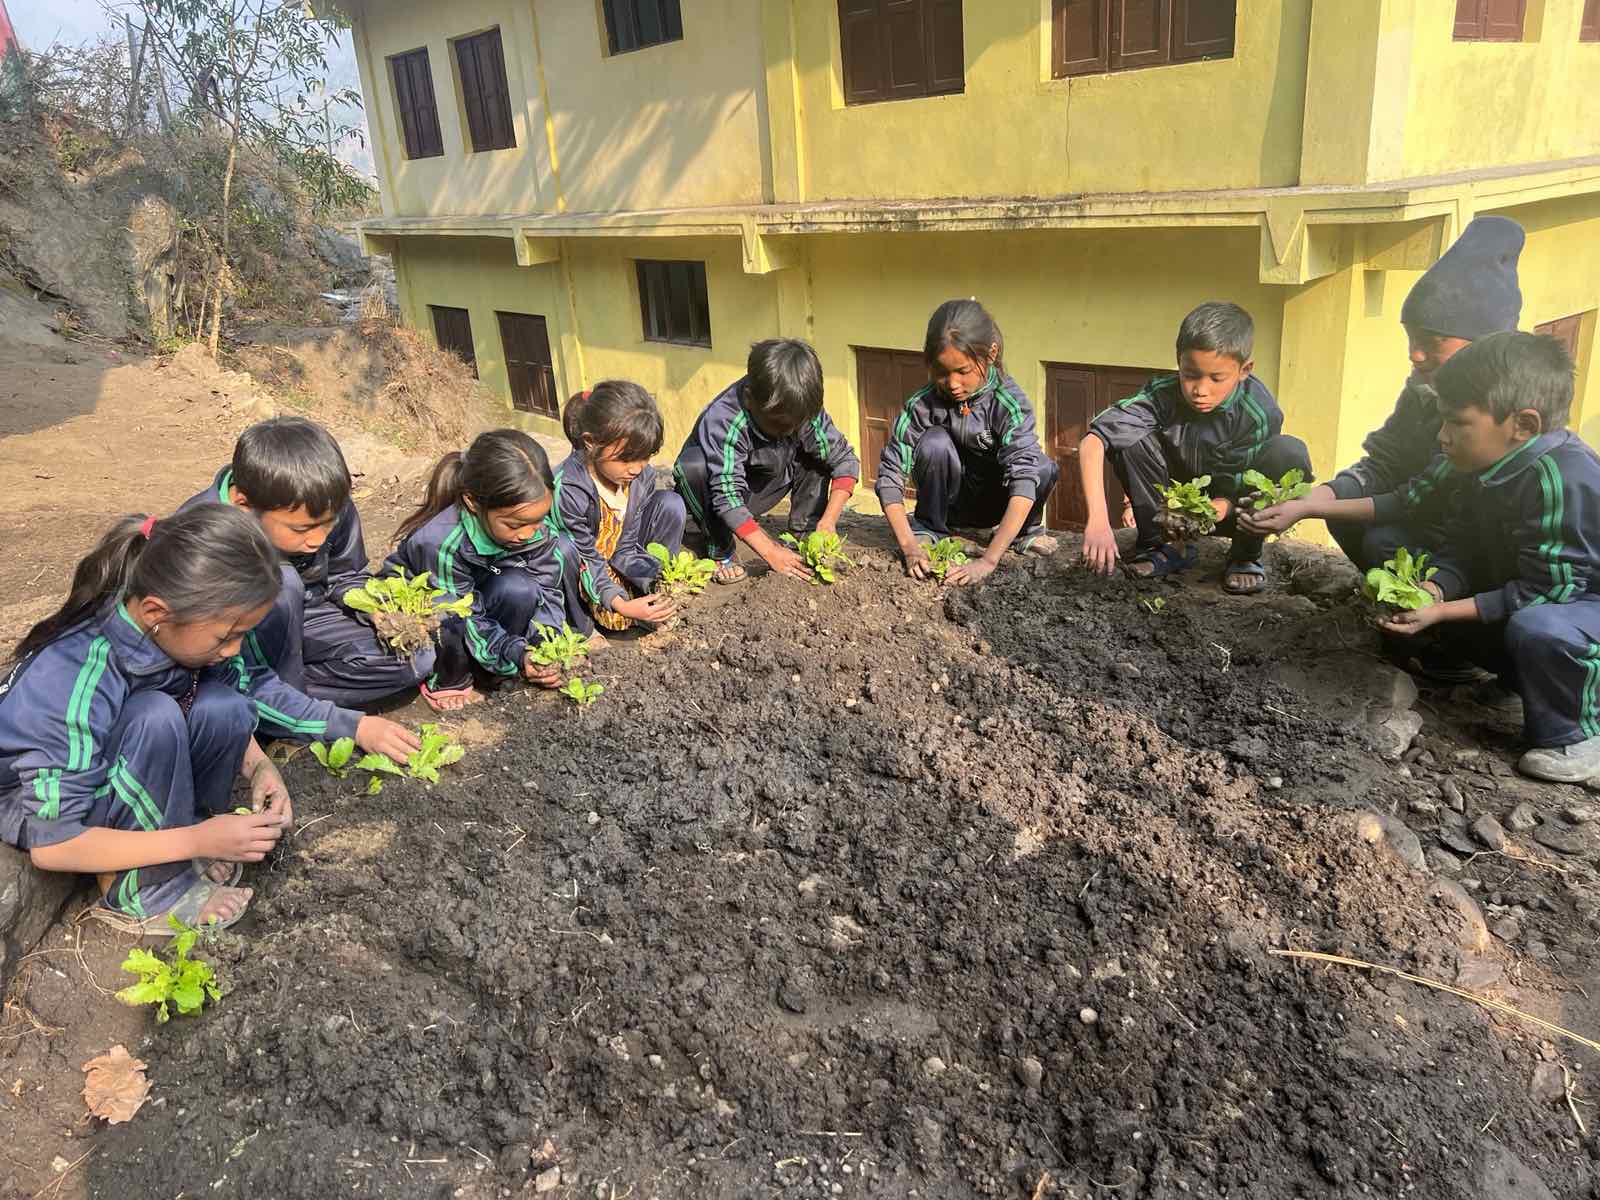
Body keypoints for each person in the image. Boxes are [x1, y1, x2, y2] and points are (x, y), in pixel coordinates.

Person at [0, 506, 412, 932]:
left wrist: (260, 769)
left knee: (225, 707)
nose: (234, 650)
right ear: (157, 613)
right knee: (155, 716)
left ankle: (184, 827)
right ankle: (144, 888)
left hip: (108, 757)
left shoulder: (166, 627)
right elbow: (55, 844)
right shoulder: (77, 678)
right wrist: (198, 841)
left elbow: (237, 694)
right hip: (30, 801)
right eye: (226, 637)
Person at [1377, 332, 1600, 783]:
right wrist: (1433, 588)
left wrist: (1440, 611)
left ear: (1523, 424)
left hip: (1579, 607)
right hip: (1544, 595)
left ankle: (1578, 734)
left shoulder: (1560, 481)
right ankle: (1520, 680)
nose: (1442, 437)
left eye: (1456, 422)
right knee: (1441, 586)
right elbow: (1462, 545)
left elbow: (1548, 593)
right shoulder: (1486, 467)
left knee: (1541, 628)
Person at [1243, 216, 1526, 570]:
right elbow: (1384, 463)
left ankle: (1444, 618)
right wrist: (1314, 498)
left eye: (1432, 342)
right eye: (1411, 339)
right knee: (1352, 519)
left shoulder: (1499, 413)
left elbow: (1413, 499)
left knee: (1383, 540)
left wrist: (1310, 505)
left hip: (1479, 551)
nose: (1415, 354)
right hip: (1425, 517)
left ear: (1484, 343)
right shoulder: (1423, 390)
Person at [184, 417, 434, 715]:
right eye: (302, 530)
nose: (317, 540)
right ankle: (274, 702)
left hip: (309, 615)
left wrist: (373, 608)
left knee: (415, 658)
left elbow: (346, 574)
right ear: (244, 505)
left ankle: (282, 699)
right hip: (235, 637)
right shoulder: (199, 535)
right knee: (282, 584)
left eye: (328, 524)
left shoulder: (323, 503)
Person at [1079, 301, 1312, 594]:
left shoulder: (1259, 411)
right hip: (1170, 512)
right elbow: (1093, 441)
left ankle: (1244, 556)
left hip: (1230, 511)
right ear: (1179, 362)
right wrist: (1098, 520)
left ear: (1244, 370)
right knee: (1128, 440)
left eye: (1217, 378)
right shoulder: (1163, 394)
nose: (1201, 389)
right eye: (1190, 375)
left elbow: (1241, 483)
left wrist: (1210, 512)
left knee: (1288, 452)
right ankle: (1163, 548)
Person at [388, 430, 581, 711]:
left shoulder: (536, 531)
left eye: (538, 520)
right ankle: (448, 679)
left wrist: (544, 647)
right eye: (515, 525)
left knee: (521, 588)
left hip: (485, 592)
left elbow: (548, 591)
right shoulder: (439, 544)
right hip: (442, 612)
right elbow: (464, 613)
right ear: (473, 502)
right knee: (449, 617)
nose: (528, 533)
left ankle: (494, 668)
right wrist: (514, 651)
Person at [877, 299, 1059, 586]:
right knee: (933, 442)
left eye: (962, 371)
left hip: (999, 501)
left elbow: (1024, 477)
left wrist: (988, 560)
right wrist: (910, 548)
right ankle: (930, 528)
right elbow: (890, 474)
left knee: (1041, 466)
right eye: (941, 371)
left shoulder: (1008, 403)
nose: (951, 383)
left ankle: (1025, 533)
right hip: (951, 504)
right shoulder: (923, 404)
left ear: (991, 354)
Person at [674, 339, 860, 584]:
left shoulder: (800, 407)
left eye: (795, 424)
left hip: (764, 486)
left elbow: (845, 461)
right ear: (750, 398)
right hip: (714, 497)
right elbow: (726, 495)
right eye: (779, 424)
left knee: (818, 454)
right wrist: (769, 551)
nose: (788, 430)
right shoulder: (724, 419)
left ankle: (805, 534)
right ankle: (720, 549)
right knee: (693, 466)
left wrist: (828, 521)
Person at [549, 382, 685, 634]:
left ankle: (652, 596)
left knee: (671, 504)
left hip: (617, 556)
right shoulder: (569, 489)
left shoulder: (639, 476)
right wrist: (621, 603)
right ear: (590, 442)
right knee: (562, 548)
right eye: (626, 458)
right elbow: (587, 559)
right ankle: (582, 628)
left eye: (646, 456)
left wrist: (656, 579)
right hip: (584, 568)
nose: (637, 468)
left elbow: (626, 544)